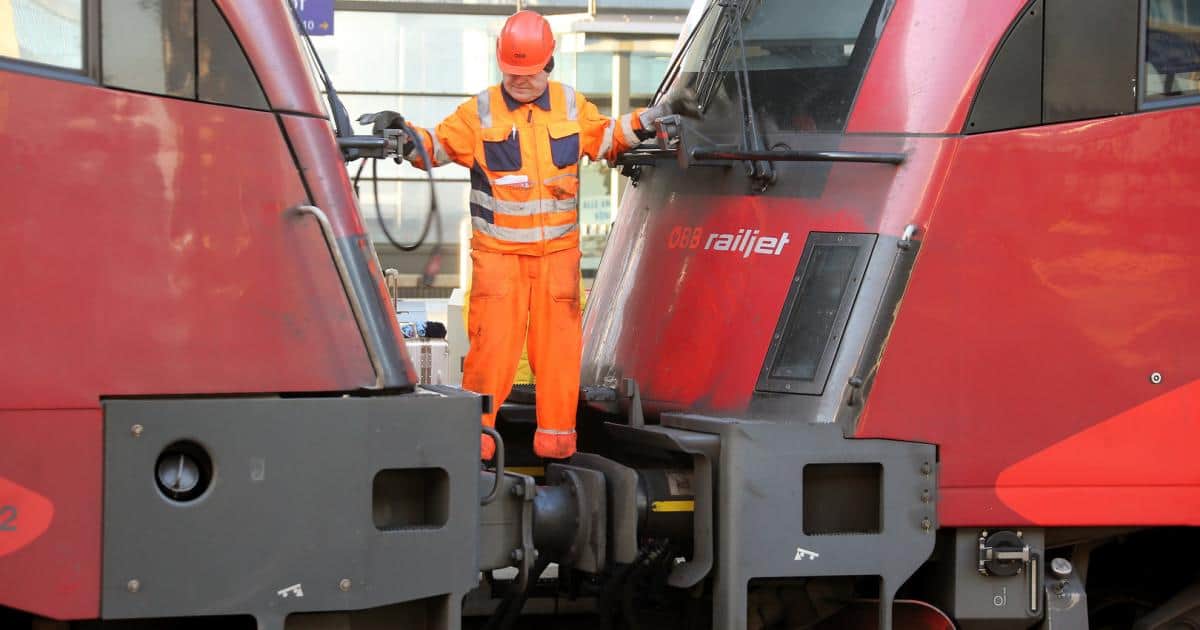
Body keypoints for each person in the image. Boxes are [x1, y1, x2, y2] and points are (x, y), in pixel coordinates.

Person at [401, 10, 693, 460]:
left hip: (557, 260)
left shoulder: (573, 107)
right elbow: (434, 146)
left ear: (548, 64)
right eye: (512, 74)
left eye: (528, 74)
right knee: (489, 355)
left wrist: (654, 117)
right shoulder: (478, 112)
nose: (519, 82)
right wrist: (402, 137)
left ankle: (558, 452)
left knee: (558, 360)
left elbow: (607, 137)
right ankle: (472, 451)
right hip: (499, 259)